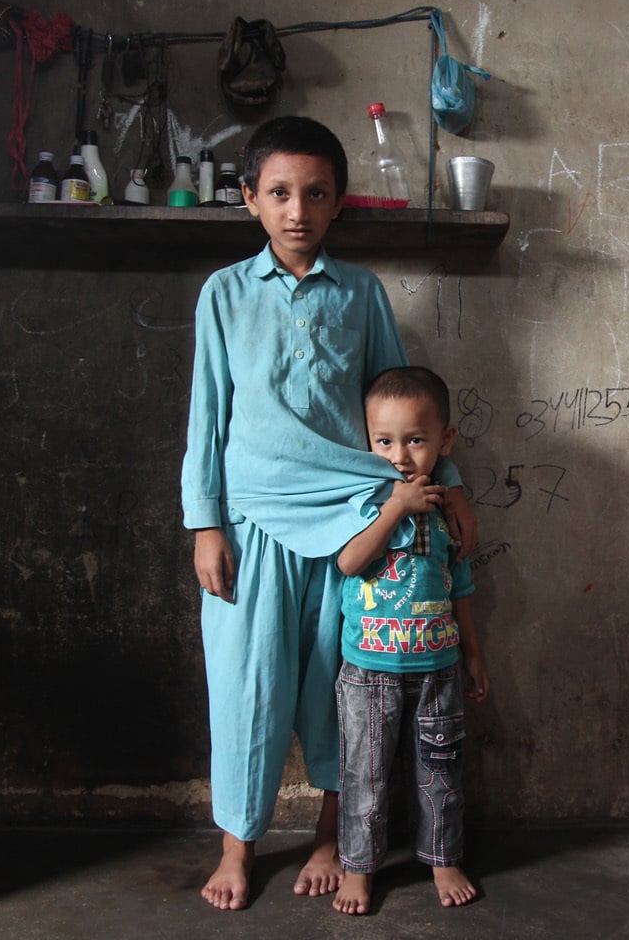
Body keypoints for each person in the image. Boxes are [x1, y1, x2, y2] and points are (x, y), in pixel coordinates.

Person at [181, 117, 477, 912]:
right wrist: (205, 522)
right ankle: (237, 847)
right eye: (278, 192)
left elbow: (399, 404)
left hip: (353, 516)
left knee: (340, 686)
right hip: (251, 518)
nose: (297, 209)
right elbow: (206, 415)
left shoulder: (361, 294)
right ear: (250, 200)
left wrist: (447, 486)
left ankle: (332, 833)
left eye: (315, 193)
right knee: (247, 689)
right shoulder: (225, 295)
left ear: (338, 203)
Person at [331, 365, 490, 915]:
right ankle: (359, 867)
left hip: (437, 670)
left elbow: (461, 587)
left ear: (444, 442)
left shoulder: (449, 509)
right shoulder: (364, 495)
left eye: (416, 440)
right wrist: (396, 506)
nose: (399, 455)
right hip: (368, 672)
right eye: (384, 440)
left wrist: (473, 655)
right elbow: (350, 560)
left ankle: (443, 858)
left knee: (440, 773)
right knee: (365, 778)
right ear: (367, 440)